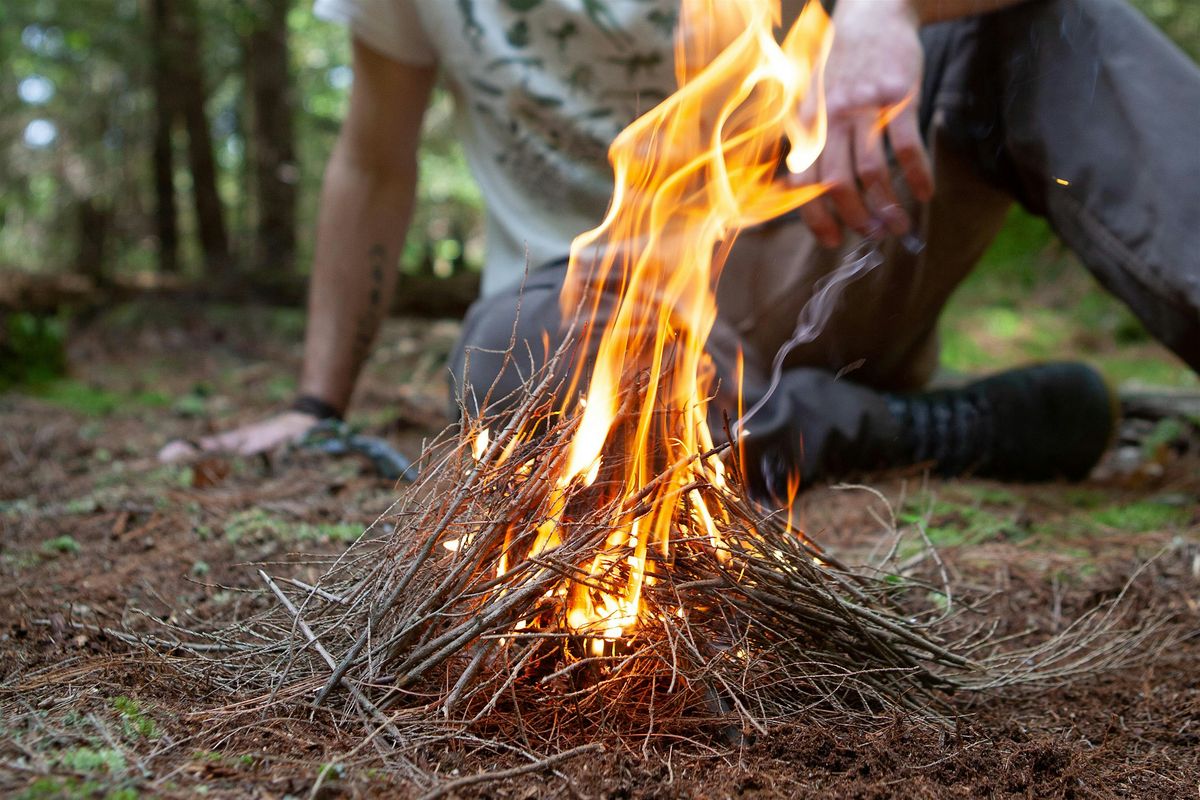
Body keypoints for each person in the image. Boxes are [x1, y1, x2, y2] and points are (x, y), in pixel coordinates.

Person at [162, 0, 1200, 499]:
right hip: (592, 319)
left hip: (830, 247)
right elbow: (373, 162)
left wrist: (885, 9)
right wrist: (313, 406)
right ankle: (902, 426)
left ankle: (853, 417)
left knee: (1063, 23)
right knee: (503, 356)